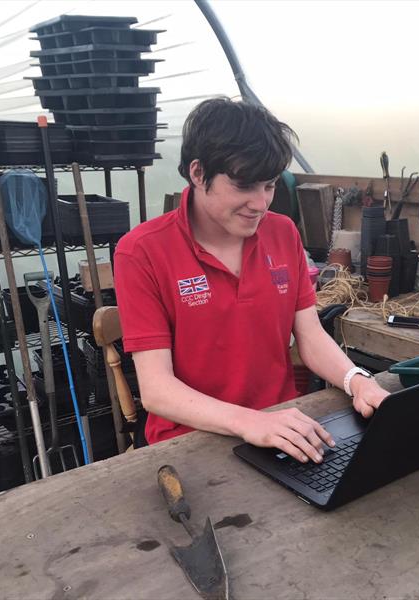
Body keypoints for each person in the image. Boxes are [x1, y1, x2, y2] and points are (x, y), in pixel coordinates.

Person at [114, 98, 389, 464]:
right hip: (189, 444)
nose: (260, 203)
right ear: (198, 173)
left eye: (270, 185)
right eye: (244, 185)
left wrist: (357, 380)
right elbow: (156, 391)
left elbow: (309, 335)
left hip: (283, 427)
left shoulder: (282, 232)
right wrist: (249, 422)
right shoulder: (142, 252)